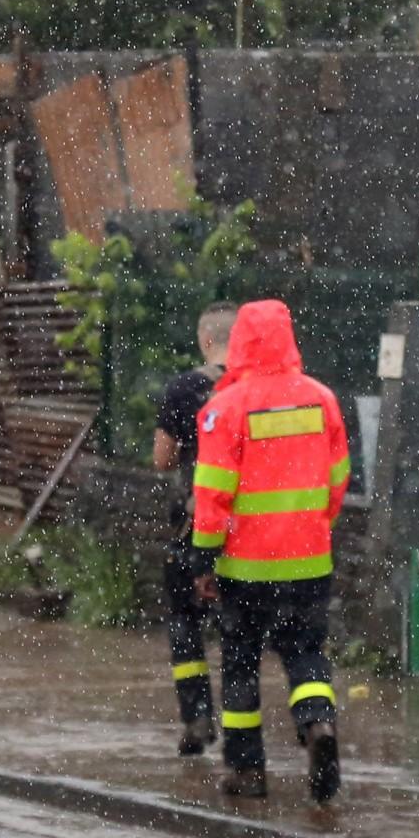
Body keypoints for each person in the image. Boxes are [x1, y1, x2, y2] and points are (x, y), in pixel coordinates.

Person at [188, 299, 351, 804]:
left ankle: (247, 770)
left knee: (240, 662)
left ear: (239, 343)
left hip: (246, 567)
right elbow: (339, 477)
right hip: (309, 559)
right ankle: (318, 723)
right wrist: (315, 526)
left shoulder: (225, 408)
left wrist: (203, 560)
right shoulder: (321, 398)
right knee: (306, 654)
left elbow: (212, 497)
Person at [150, 303, 238, 756]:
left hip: (194, 523)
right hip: (252, 534)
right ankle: (247, 730)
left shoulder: (185, 388)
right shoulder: (254, 388)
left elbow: (162, 459)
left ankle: (197, 715)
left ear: (206, 340)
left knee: (185, 623)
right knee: (239, 632)